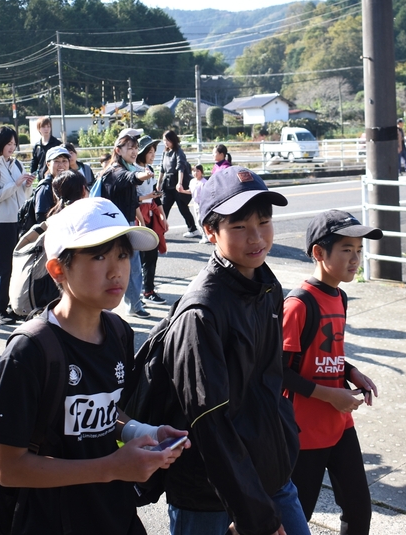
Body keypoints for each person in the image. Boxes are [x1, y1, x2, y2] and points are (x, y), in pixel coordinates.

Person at [0, 197, 188, 534]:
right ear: (58, 269)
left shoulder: (119, 331)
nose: (116, 270)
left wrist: (144, 431)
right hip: (54, 519)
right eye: (98, 255)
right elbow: (9, 468)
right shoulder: (30, 350)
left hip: (115, 512)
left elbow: (106, 409)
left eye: (123, 254)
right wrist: (111, 467)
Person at [163, 165, 310, 535]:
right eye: (240, 227)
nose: (256, 237)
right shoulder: (201, 313)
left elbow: (269, 381)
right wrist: (253, 515)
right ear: (210, 231)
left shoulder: (267, 288)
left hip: (272, 474)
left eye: (264, 221)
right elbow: (210, 424)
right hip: (209, 494)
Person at [283, 210, 381, 534]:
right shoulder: (298, 304)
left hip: (340, 425)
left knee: (358, 510)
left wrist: (351, 372)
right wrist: (331, 396)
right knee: (297, 516)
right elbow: (277, 372)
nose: (356, 259)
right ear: (319, 253)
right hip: (304, 431)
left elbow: (330, 351)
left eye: (359, 250)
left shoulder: (340, 296)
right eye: (346, 250)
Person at [0, 126, 33, 325]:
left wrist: (27, 185)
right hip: (1, 221)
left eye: (14, 144)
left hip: (18, 220)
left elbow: (24, 196)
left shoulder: (17, 164)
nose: (12, 147)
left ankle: (12, 306)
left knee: (19, 266)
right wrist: (16, 183)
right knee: (5, 268)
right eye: (8, 143)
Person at [102, 129, 153, 318]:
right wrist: (143, 175)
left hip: (127, 224)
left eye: (136, 148)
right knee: (116, 267)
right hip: (114, 228)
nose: (134, 151)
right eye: (130, 148)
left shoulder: (127, 167)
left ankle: (133, 304)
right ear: (118, 150)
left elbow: (132, 199)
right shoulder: (115, 171)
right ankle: (105, 308)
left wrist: (139, 218)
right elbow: (129, 179)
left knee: (133, 266)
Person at [135, 135, 166, 305]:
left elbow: (155, 196)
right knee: (137, 258)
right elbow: (133, 198)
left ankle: (148, 290)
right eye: (150, 151)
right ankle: (137, 294)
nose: (153, 154)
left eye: (154, 151)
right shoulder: (134, 171)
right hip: (138, 216)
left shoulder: (150, 170)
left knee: (151, 255)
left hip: (150, 216)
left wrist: (163, 215)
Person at [160, 130, 199, 238]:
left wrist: (179, 183)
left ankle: (193, 229)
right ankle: (160, 231)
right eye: (164, 140)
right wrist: (159, 183)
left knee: (182, 207)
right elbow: (162, 169)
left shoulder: (178, 152)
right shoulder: (165, 152)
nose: (166, 142)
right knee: (164, 207)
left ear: (173, 140)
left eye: (168, 140)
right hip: (168, 185)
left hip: (177, 184)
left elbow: (180, 168)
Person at [31, 145, 71, 225]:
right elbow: (41, 219)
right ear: (48, 164)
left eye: (64, 161)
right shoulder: (45, 188)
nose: (61, 165)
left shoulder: (70, 183)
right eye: (56, 161)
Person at [180, 165, 208, 243]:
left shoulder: (204, 182)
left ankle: (206, 236)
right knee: (198, 221)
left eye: (198, 171)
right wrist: (183, 191)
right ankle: (204, 235)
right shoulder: (192, 181)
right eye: (194, 171)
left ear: (202, 172)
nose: (195, 173)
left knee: (201, 220)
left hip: (202, 204)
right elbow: (191, 191)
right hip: (195, 203)